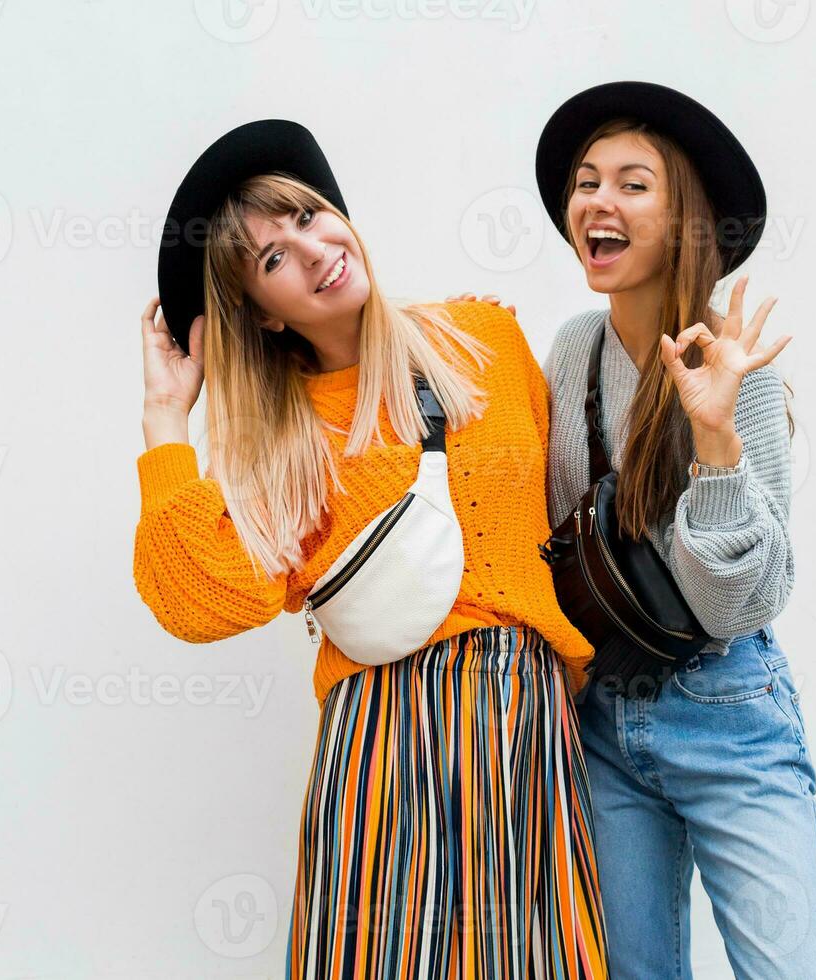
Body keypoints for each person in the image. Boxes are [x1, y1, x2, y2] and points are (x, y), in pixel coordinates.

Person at [132, 119, 608, 978]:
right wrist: (167, 420)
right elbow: (199, 601)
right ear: (262, 317)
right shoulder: (282, 440)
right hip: (379, 737)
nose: (312, 250)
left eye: (311, 217)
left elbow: (562, 518)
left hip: (523, 718)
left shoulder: (482, 342)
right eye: (273, 258)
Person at [535, 82, 816, 979]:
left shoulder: (734, 370)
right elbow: (556, 541)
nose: (598, 200)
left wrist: (714, 442)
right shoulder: (572, 353)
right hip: (599, 718)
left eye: (634, 185)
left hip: (727, 711)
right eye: (588, 182)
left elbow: (734, 601)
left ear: (684, 220)